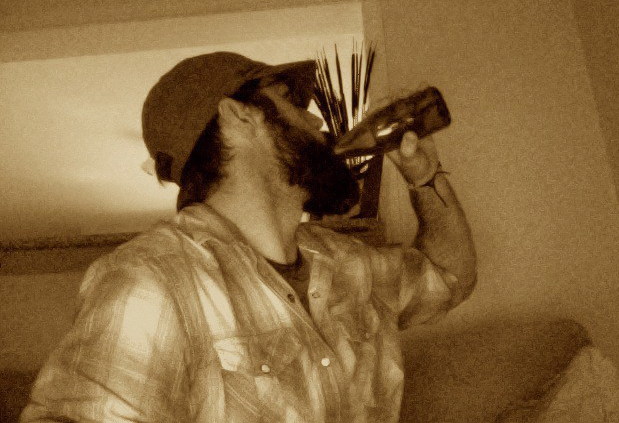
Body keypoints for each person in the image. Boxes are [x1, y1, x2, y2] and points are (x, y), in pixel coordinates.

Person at [20, 52, 477, 423]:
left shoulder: (347, 262)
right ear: (238, 115)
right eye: (290, 100)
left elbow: (450, 276)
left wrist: (425, 177)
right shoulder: (154, 280)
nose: (315, 121)